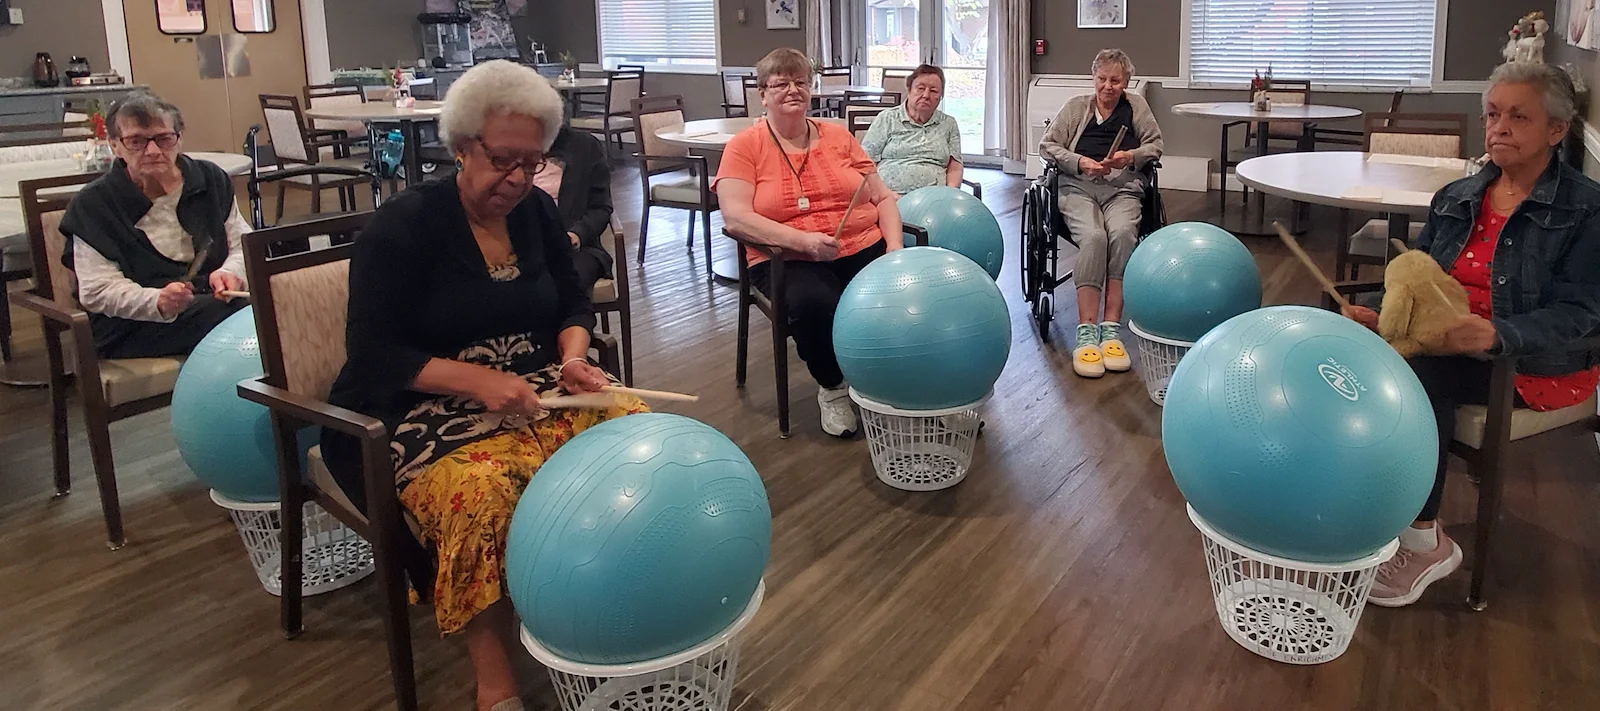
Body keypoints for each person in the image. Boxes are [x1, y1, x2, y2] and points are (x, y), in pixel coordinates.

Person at [320, 61, 646, 711]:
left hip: (534, 385)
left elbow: (574, 305)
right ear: (462, 144)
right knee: (485, 493)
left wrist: (575, 357)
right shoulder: (402, 226)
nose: (520, 178)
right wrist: (478, 380)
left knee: (633, 432)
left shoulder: (537, 214)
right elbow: (374, 353)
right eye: (504, 159)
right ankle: (494, 673)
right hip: (413, 408)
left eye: (534, 161)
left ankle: (599, 599)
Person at [1341, 61, 1600, 607]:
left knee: (1413, 377)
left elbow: (1583, 313)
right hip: (1448, 343)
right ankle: (1373, 507)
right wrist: (1381, 314)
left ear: (1557, 130)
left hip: (1530, 363)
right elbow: (1424, 282)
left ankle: (1423, 538)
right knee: (1348, 356)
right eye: (1492, 114)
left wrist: (1496, 334)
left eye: (1518, 117)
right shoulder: (1458, 196)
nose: (1499, 127)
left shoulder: (1587, 209)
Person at [715, 47, 904, 437]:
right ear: (762, 93)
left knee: (905, 292)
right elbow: (735, 217)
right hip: (785, 256)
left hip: (860, 242)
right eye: (780, 83)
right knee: (814, 303)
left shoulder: (837, 136)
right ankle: (834, 387)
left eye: (801, 82)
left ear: (812, 89)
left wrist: (895, 250)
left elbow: (883, 197)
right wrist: (803, 241)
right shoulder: (744, 147)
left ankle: (891, 379)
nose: (792, 90)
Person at [58, 93, 249, 359]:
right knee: (246, 314)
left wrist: (230, 272)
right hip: (131, 325)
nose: (153, 151)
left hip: (208, 300)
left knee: (266, 300)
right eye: (136, 141)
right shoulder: (94, 204)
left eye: (164, 138)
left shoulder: (209, 180)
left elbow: (243, 245)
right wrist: (156, 300)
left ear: (179, 138)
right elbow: (96, 290)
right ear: (115, 145)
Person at [1039, 48, 1164, 379]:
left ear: (1126, 82)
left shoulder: (1136, 106)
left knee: (1122, 235)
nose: (1108, 86)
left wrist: (1130, 156)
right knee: (1094, 238)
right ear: (1094, 78)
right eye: (1102, 79)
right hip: (1079, 186)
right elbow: (1048, 145)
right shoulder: (1077, 107)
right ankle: (1086, 332)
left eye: (1116, 80)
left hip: (1123, 187)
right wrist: (1080, 162)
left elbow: (1155, 145)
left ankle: (1111, 329)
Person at [529, 124, 614, 292]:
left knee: (562, 283)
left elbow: (600, 208)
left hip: (577, 249)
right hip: (521, 250)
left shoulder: (584, 146)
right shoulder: (508, 148)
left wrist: (576, 234)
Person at [860, 64, 964, 195]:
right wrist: (884, 194)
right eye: (920, 88)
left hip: (935, 199)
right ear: (909, 90)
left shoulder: (949, 123)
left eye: (934, 91)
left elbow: (955, 166)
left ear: (941, 96)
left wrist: (951, 193)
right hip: (888, 197)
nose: (926, 95)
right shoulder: (887, 118)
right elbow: (866, 163)